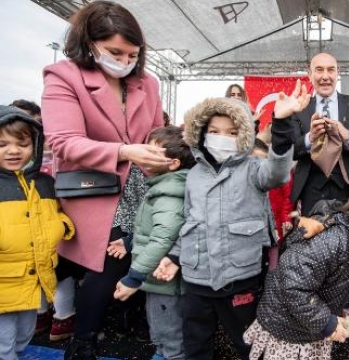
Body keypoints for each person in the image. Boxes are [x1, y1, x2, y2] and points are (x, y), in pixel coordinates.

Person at [40, 1, 169, 357]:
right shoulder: (64, 76)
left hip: (143, 185)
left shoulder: (148, 83)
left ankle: (131, 319)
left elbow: (156, 131)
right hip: (96, 189)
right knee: (108, 260)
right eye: (115, 52)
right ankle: (83, 340)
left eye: (132, 54)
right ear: (89, 43)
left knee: (141, 253)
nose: (125, 61)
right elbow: (65, 143)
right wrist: (124, 152)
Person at [153, 81, 306, 360]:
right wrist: (174, 257)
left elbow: (278, 172)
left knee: (249, 343)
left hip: (240, 279)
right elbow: (189, 221)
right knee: (195, 344)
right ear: (201, 134)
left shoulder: (253, 169)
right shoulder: (194, 175)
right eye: (214, 132)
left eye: (232, 132)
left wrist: (281, 123)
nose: (222, 138)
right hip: (196, 279)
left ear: (244, 136)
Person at [244, 169, 349, 360]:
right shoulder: (333, 242)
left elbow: (338, 273)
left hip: (308, 323)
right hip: (289, 329)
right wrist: (327, 323)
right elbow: (293, 287)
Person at [112, 126, 195, 360]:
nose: (145, 152)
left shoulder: (169, 193)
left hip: (164, 283)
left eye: (153, 149)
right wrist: (129, 242)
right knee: (162, 332)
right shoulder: (165, 186)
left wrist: (133, 277)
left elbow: (162, 238)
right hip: (157, 280)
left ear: (174, 163)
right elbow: (158, 229)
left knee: (170, 336)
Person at [0, 105, 75, 360]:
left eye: (22, 144)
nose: (13, 151)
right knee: (3, 345)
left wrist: (62, 226)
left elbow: (58, 212)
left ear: (35, 146)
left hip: (33, 281)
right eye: (2, 144)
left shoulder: (44, 183)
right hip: (3, 283)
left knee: (23, 337)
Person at [286, 53, 349, 215]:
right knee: (310, 238)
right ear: (310, 75)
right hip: (310, 189)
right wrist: (309, 138)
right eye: (319, 70)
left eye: (330, 70)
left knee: (348, 238)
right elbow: (289, 151)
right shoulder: (299, 107)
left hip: (348, 188)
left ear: (337, 73)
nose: (325, 76)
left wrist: (346, 134)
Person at [251, 138, 294, 270]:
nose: (259, 164)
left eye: (263, 159)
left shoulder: (277, 176)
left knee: (273, 260)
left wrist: (286, 219)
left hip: (275, 225)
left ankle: (271, 281)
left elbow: (288, 197)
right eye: (254, 160)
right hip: (252, 231)